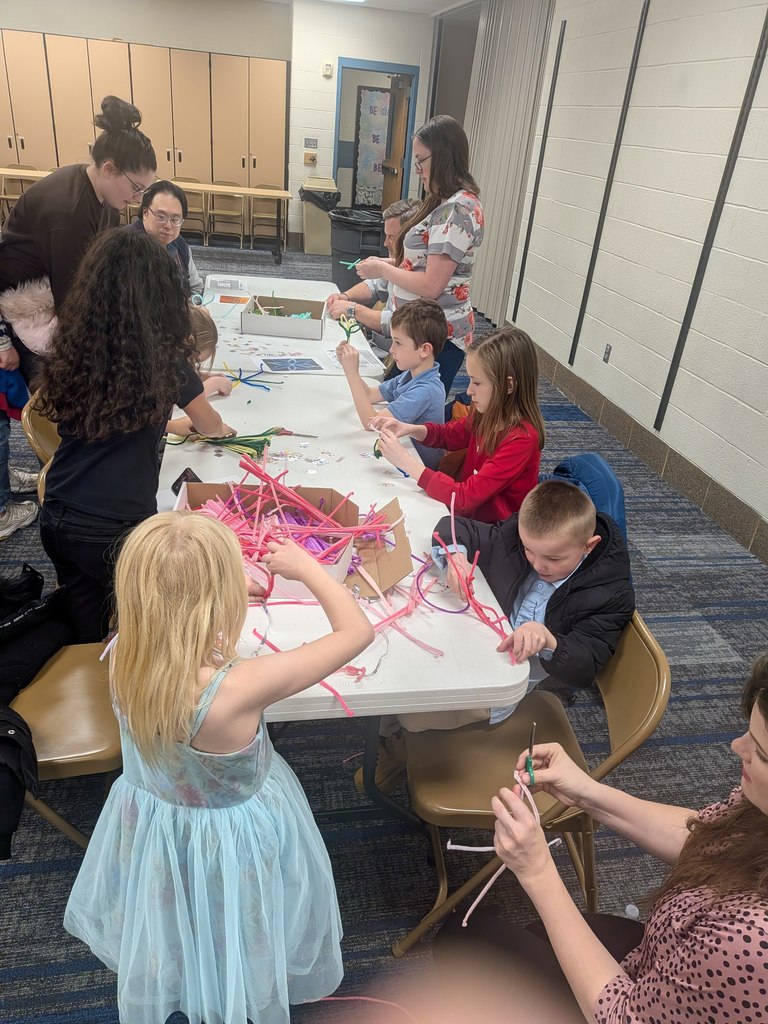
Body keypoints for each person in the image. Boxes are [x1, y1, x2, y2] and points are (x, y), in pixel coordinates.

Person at [64, 511, 375, 1024]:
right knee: (239, 916)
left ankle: (191, 979)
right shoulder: (237, 687)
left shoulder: (123, 653)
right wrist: (308, 569)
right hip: (233, 836)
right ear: (223, 602)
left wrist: (204, 608)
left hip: (158, 825)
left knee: (179, 910)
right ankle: (237, 995)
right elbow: (355, 631)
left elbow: (170, 626)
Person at [434, 654, 768, 1024]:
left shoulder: (749, 943)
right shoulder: (759, 809)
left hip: (635, 1006)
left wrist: (538, 871)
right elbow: (709, 836)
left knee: (463, 946)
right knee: (517, 938)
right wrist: (586, 792)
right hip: (662, 957)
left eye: (763, 753)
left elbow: (624, 1017)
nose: (738, 747)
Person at [363, 479, 634, 793]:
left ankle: (396, 744)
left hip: (502, 690)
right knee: (396, 667)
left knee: (408, 708)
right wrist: (456, 557)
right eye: (528, 550)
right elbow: (454, 526)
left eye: (553, 559)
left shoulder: (611, 593)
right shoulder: (519, 536)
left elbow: (585, 665)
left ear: (588, 546)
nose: (537, 563)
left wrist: (549, 640)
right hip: (472, 648)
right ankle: (389, 736)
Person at [34, 229, 236, 643]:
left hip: (56, 513)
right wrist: (220, 427)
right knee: (145, 630)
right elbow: (209, 425)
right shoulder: (164, 360)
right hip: (116, 532)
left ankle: (89, 683)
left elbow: (112, 420)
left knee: (86, 631)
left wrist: (168, 424)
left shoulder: (77, 346)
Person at [0, 94, 157, 541]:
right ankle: (64, 480)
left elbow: (102, 272)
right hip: (27, 306)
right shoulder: (68, 210)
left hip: (51, 297)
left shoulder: (101, 196)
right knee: (59, 391)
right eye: (136, 188)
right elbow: (76, 302)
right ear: (109, 169)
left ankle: (56, 462)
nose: (136, 199)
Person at [355, 114, 484, 393]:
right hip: (417, 330)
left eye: (421, 160)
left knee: (408, 412)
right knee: (393, 403)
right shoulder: (443, 202)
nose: (417, 169)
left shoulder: (458, 209)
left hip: (438, 336)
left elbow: (431, 285)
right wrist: (387, 261)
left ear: (443, 157)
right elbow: (423, 264)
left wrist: (383, 270)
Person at [370, 327, 544, 524]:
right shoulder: (486, 413)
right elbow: (448, 435)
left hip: (491, 532)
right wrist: (410, 429)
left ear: (509, 386)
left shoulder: (521, 440)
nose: (469, 391)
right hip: (465, 516)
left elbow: (465, 498)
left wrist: (405, 461)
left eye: (477, 383)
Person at [336, 299, 446, 469]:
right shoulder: (410, 375)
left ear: (424, 350)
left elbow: (371, 423)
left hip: (419, 469)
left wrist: (351, 374)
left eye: (398, 343)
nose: (391, 350)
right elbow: (370, 395)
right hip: (405, 454)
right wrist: (349, 367)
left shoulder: (426, 390)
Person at [325, 198, 419, 359]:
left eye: (392, 237)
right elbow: (376, 286)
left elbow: (397, 324)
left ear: (411, 238)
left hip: (396, 358)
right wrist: (345, 296)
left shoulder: (420, 276)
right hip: (380, 347)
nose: (385, 243)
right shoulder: (400, 263)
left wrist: (353, 309)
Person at [128, 179, 203, 297]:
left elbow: (196, 287)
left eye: (175, 219)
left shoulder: (179, 244)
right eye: (161, 216)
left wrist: (194, 308)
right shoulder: (125, 247)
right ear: (145, 213)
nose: (168, 226)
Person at [166, 306, 232, 435]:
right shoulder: (177, 369)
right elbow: (211, 427)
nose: (193, 368)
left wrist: (204, 376)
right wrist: (215, 383)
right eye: (194, 361)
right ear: (187, 344)